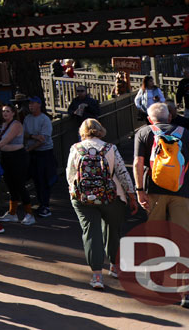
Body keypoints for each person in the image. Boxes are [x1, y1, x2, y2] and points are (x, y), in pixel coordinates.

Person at [133, 102, 189, 307]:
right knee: (186, 240)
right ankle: (188, 292)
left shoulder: (143, 133)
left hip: (154, 193)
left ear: (150, 119)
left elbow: (138, 164)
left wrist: (140, 190)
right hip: (183, 193)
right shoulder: (185, 133)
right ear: (170, 117)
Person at [67, 118, 137, 290]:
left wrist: (74, 192)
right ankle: (114, 266)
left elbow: (70, 174)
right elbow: (121, 172)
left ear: (82, 131)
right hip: (111, 196)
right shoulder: (110, 148)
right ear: (101, 130)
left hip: (84, 198)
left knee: (91, 233)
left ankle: (97, 276)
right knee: (113, 230)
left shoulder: (75, 148)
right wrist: (131, 195)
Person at [0, 104, 34, 226]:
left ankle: (29, 214)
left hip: (18, 157)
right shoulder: (4, 125)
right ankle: (12, 213)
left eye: (7, 111)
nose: (5, 113)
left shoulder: (16, 125)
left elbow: (5, 141)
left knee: (19, 185)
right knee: (10, 185)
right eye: (3, 111)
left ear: (13, 113)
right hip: (6, 158)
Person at [24, 97, 56, 218]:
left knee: (44, 180)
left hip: (44, 153)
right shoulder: (27, 118)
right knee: (35, 179)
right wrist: (34, 136)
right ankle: (40, 203)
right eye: (29, 103)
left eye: (33, 103)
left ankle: (46, 206)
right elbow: (24, 134)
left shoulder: (44, 119)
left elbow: (43, 140)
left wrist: (29, 148)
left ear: (39, 105)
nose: (30, 106)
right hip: (32, 153)